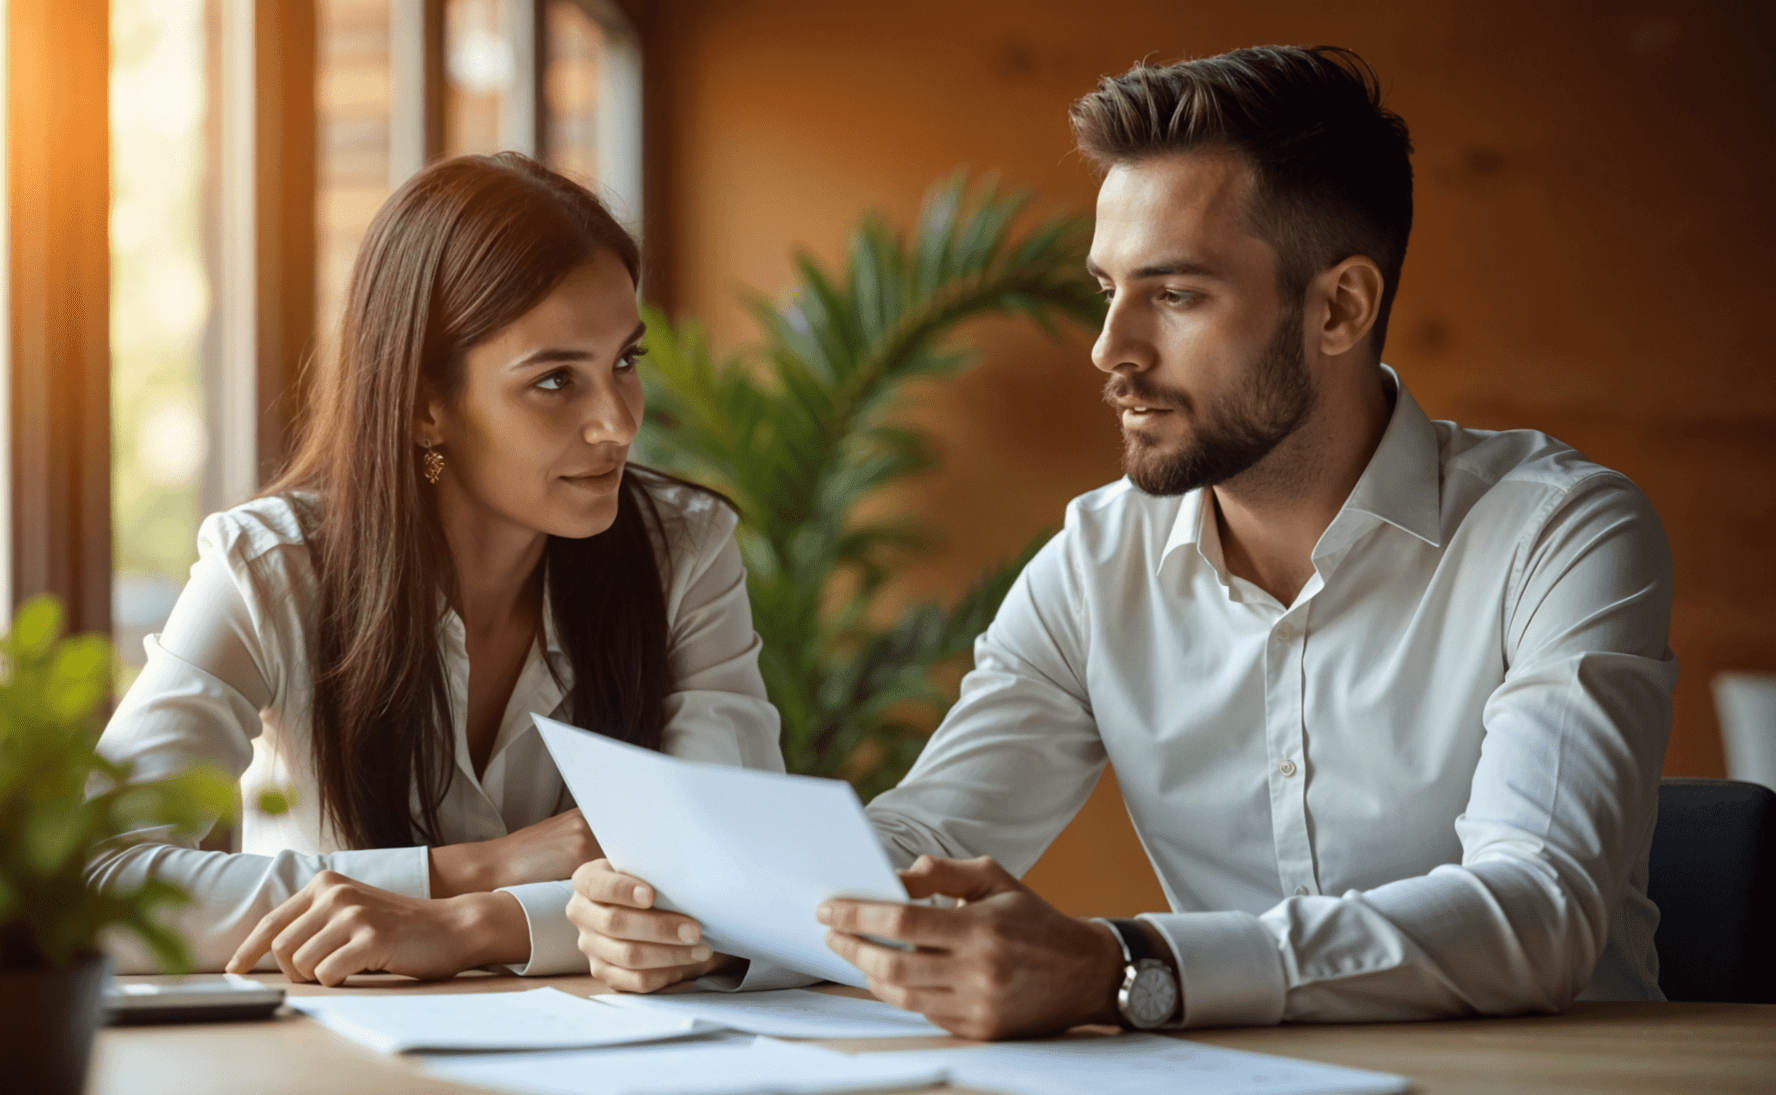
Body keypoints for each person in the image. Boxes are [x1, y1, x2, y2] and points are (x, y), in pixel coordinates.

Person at [565, 45, 1676, 1038]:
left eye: (1176, 296)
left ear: (1338, 310)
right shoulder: (1097, 564)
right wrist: (713, 928)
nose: (1108, 350)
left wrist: (1128, 965)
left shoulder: (1560, 534)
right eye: (1107, 292)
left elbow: (1540, 906)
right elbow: (925, 832)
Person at [87, 153, 783, 987]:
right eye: (557, 379)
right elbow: (95, 883)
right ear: (425, 404)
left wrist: (468, 924)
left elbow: (737, 880)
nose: (617, 424)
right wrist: (475, 868)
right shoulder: (269, 568)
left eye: (624, 363)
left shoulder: (683, 550)